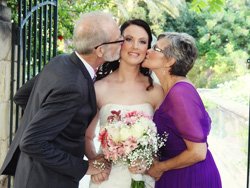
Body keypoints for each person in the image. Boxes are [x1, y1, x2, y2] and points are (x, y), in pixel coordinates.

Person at [0, 11, 124, 188]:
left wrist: (53, 125)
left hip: (29, 174)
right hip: (45, 181)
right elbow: (32, 142)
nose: (122, 42)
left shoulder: (61, 60)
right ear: (100, 50)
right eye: (118, 39)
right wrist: (85, 167)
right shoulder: (72, 87)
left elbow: (22, 96)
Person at [85, 19, 164, 188]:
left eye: (142, 42)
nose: (135, 46)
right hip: (107, 180)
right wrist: (97, 165)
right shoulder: (99, 88)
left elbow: (163, 141)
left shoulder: (156, 91)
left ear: (147, 48)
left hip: (143, 178)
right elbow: (87, 136)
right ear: (119, 43)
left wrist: (151, 161)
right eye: (129, 39)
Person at [142, 32, 222, 187]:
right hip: (176, 173)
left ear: (169, 61)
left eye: (156, 49)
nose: (148, 51)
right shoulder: (171, 89)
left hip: (190, 177)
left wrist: (159, 167)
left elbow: (198, 152)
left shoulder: (180, 92)